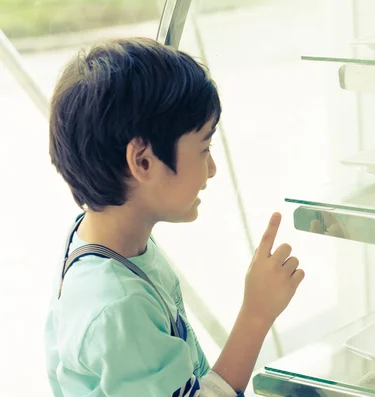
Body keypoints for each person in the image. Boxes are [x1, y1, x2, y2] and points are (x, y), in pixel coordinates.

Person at [44, 37, 304, 397]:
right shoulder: (119, 310)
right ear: (143, 161)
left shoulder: (104, 240)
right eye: (203, 148)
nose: (211, 169)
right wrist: (257, 314)